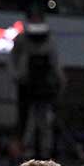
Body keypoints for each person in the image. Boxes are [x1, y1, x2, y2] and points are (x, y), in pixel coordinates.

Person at [8, 11, 65, 157]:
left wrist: (60, 80)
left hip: (45, 86)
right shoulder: (21, 39)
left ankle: (45, 151)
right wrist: (17, 76)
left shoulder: (49, 39)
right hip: (26, 85)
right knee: (27, 121)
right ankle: (26, 148)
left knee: (45, 121)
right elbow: (13, 60)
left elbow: (55, 62)